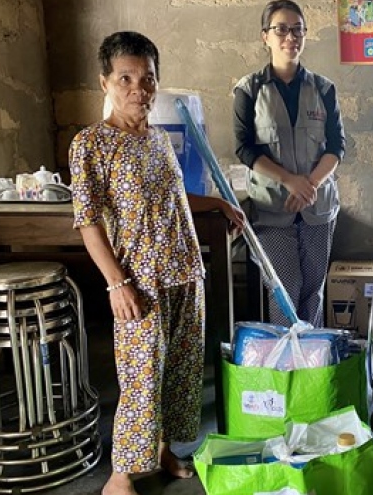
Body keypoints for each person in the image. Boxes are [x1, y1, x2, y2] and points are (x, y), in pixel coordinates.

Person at [70, 31, 245, 495]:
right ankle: (121, 474)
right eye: (125, 77)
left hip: (186, 271)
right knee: (141, 377)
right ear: (104, 81)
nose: (138, 89)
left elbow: (172, 198)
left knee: (183, 373)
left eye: (147, 79)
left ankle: (165, 448)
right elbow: (88, 222)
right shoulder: (91, 144)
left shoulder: (159, 140)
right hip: (140, 281)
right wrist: (115, 283)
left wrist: (218, 206)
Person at [233, 0, 346, 328]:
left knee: (313, 291)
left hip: (318, 208)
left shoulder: (323, 88)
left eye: (298, 29)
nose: (290, 37)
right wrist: (288, 181)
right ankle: (285, 370)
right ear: (265, 36)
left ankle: (311, 366)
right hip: (272, 210)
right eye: (281, 29)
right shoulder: (250, 89)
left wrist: (309, 184)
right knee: (284, 291)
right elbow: (244, 147)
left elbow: (338, 146)